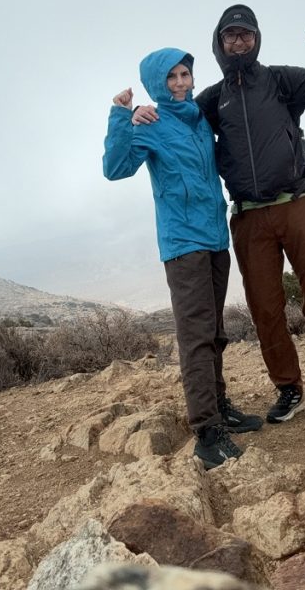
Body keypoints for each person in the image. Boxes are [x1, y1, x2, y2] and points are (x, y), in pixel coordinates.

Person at [134, 6, 305, 423]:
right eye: (231, 36)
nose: (239, 42)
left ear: (257, 38)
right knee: (264, 310)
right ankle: (289, 390)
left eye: (246, 34)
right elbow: (178, 116)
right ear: (220, 43)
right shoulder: (212, 100)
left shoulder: (283, 81)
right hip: (248, 217)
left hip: (298, 204)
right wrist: (138, 115)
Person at [103, 47, 263, 470]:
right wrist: (122, 117)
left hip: (214, 237)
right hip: (182, 243)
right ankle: (207, 434)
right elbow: (115, 168)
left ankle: (220, 404)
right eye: (171, 77)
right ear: (158, 82)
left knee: (215, 331)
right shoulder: (150, 123)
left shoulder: (198, 119)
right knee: (195, 337)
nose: (180, 83)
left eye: (185, 74)